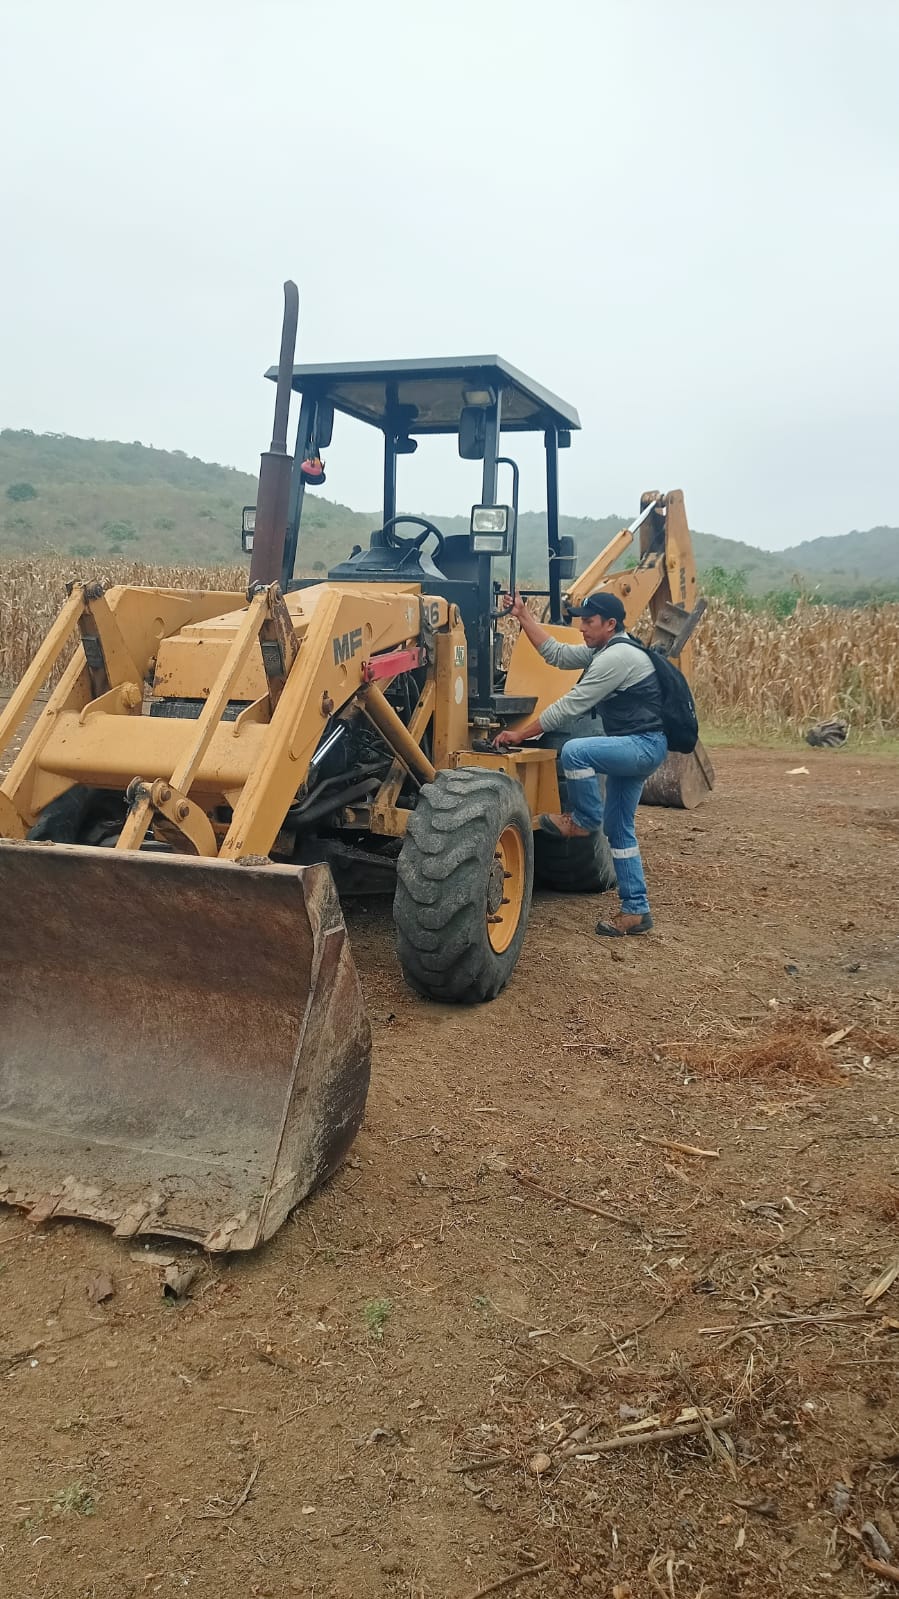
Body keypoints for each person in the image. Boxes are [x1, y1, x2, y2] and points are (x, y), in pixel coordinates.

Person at [494, 590, 667, 936]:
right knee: (618, 829)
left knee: (575, 751)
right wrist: (523, 615)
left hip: (642, 746)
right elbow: (557, 654)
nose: (582, 628)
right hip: (636, 745)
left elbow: (569, 707)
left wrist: (521, 733)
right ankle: (636, 910)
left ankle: (584, 820)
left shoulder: (615, 658)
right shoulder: (604, 650)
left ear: (610, 624)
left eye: (588, 622)